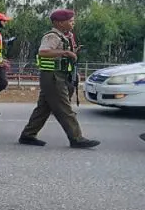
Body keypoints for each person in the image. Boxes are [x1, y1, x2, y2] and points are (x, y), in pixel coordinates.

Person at [18, 9, 100, 148]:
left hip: (58, 75)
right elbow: (43, 52)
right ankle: (76, 138)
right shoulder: (52, 36)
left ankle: (28, 135)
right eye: (70, 21)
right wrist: (66, 52)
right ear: (60, 23)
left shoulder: (65, 36)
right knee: (64, 108)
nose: (73, 23)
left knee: (43, 109)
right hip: (53, 76)